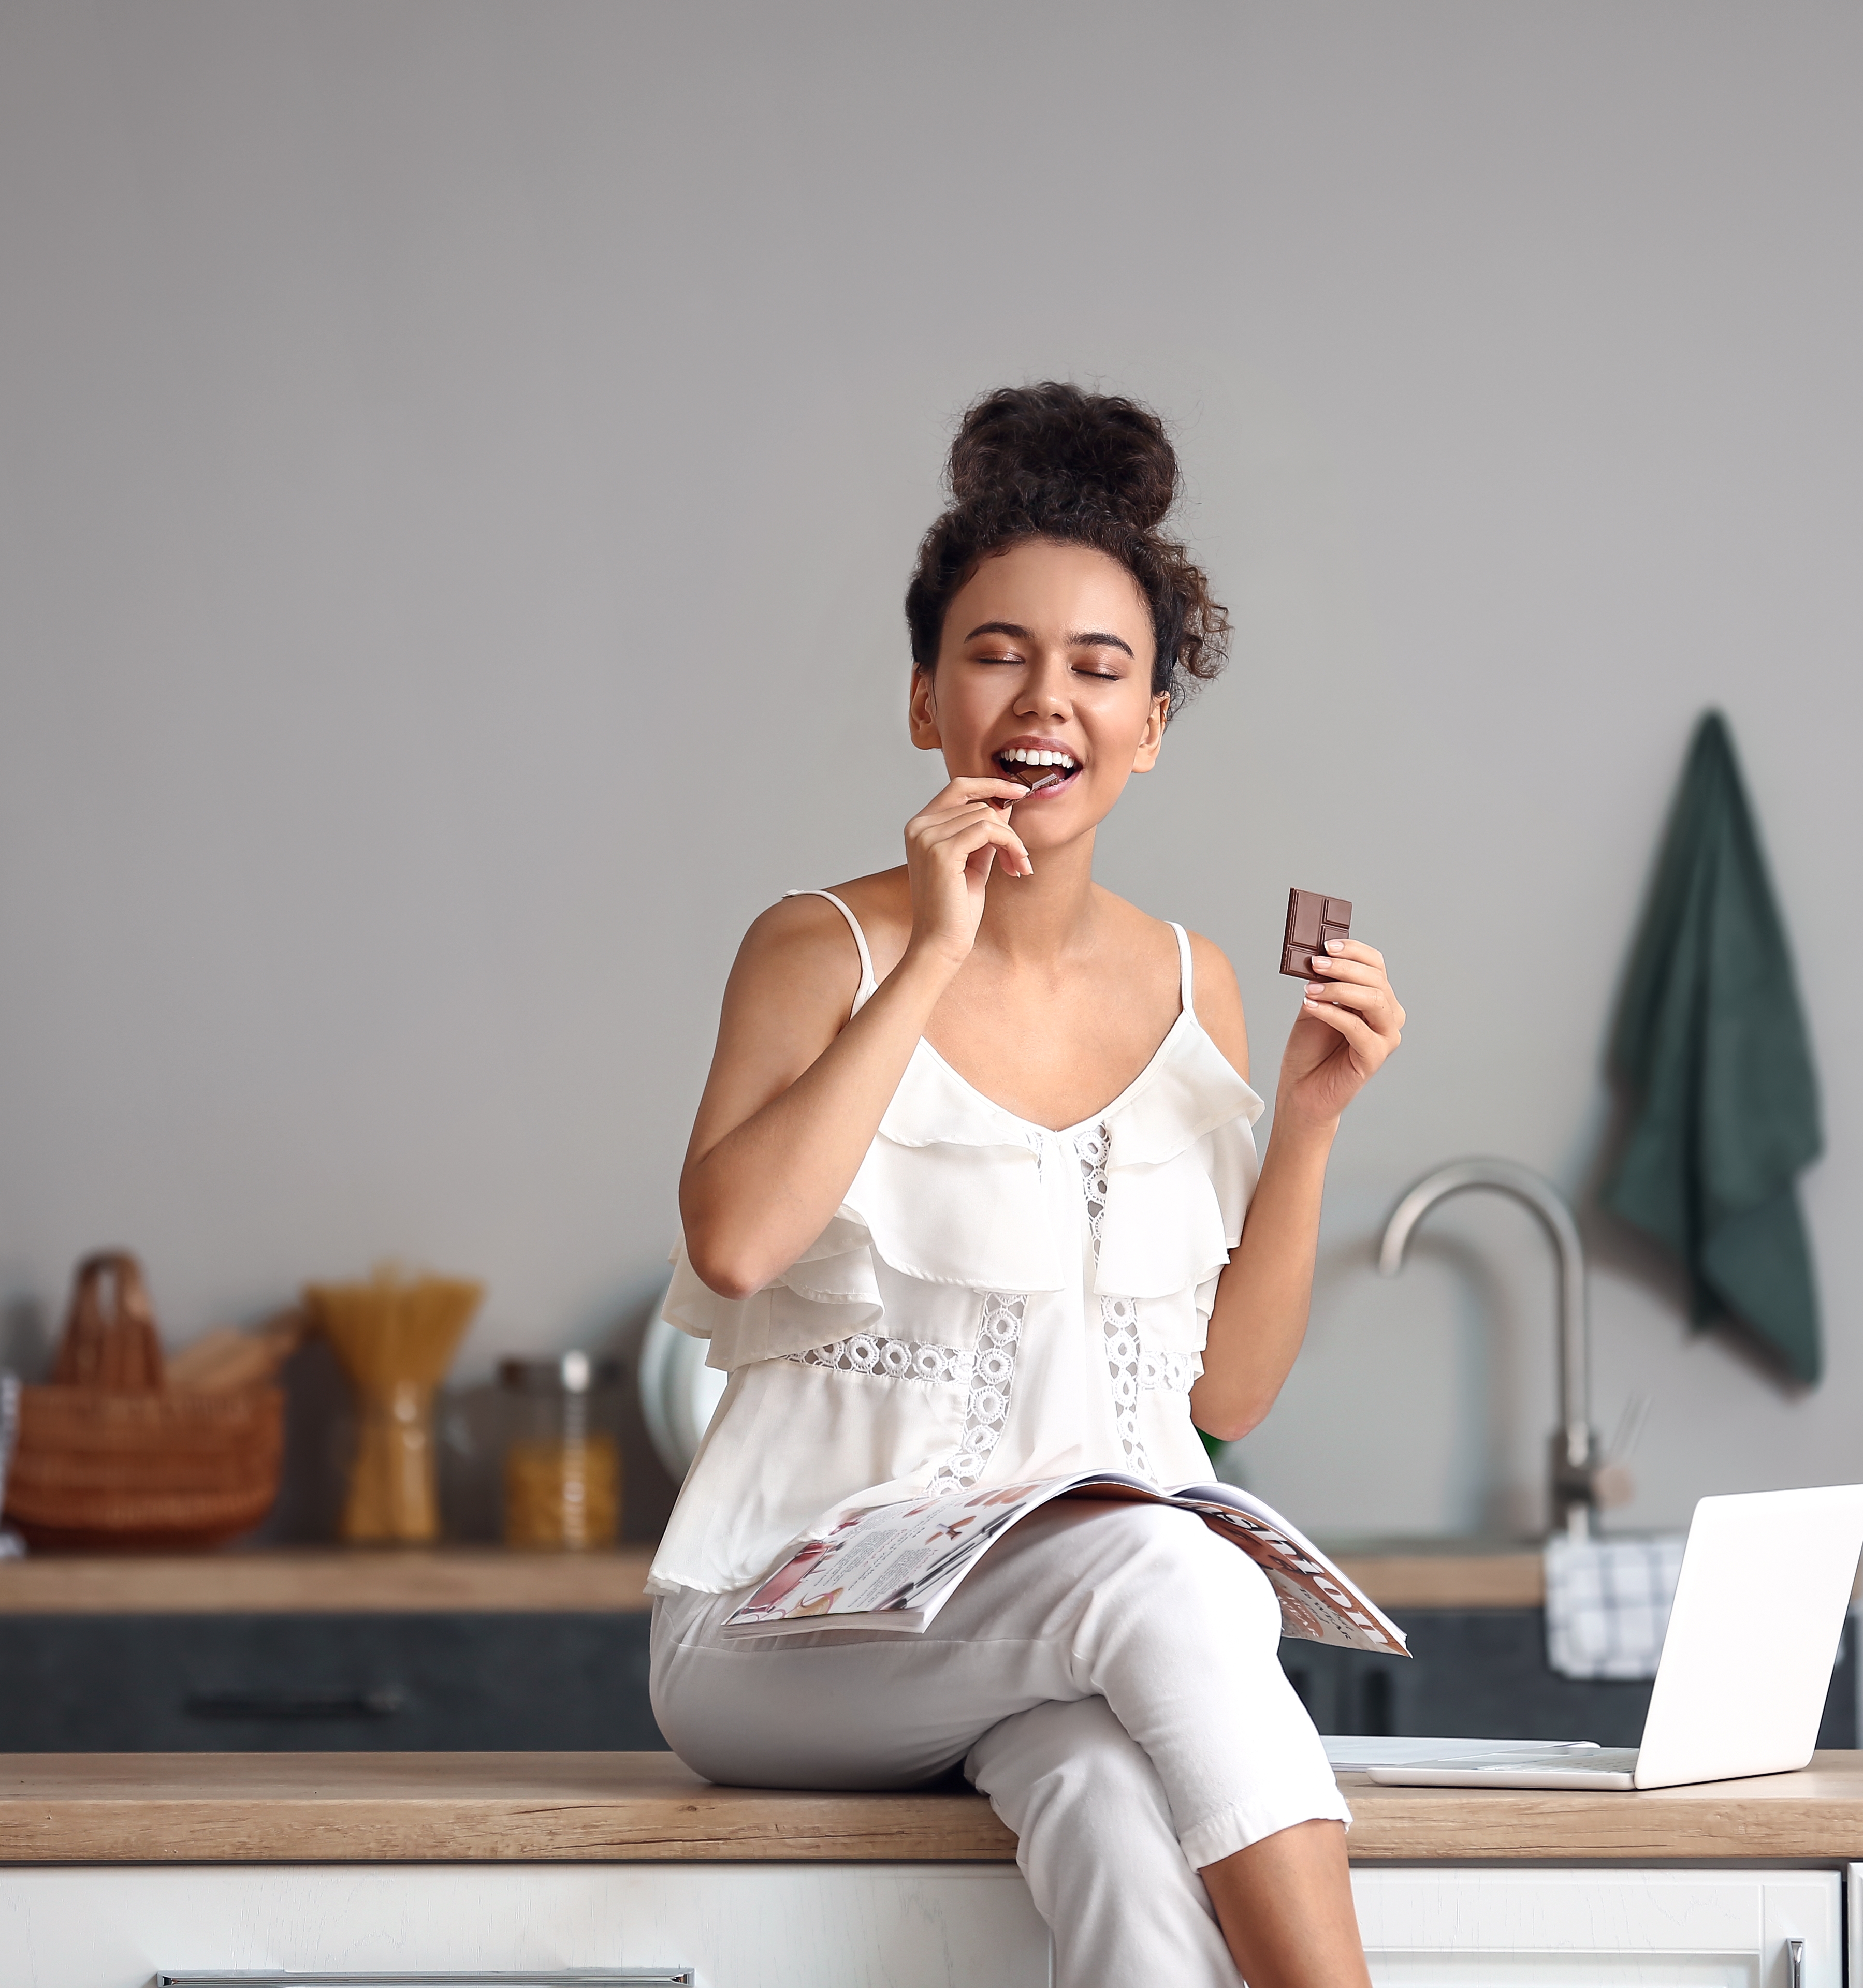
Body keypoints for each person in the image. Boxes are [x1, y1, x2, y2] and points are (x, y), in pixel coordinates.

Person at [649, 382, 1406, 1988]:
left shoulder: (1201, 983)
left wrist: (1314, 1126)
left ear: (1148, 727)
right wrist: (935, 948)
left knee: (1118, 1807)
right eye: (996, 652)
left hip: (1059, 1648)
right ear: (927, 700)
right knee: (1171, 1569)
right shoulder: (819, 948)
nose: (1041, 695)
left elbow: (1232, 1396)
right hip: (782, 1641)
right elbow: (732, 1246)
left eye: (1097, 664)